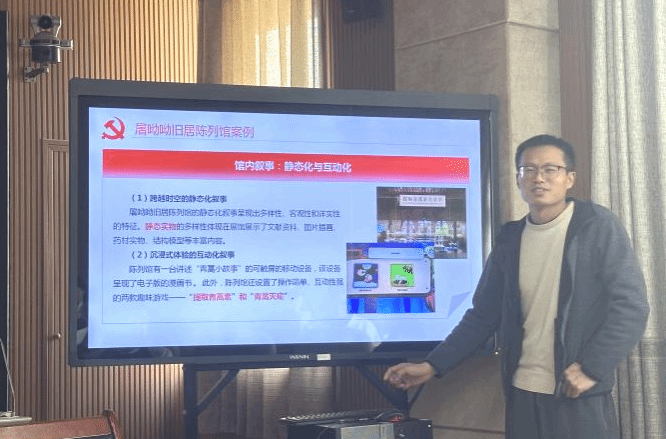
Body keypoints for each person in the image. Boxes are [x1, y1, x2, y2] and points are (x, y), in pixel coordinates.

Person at [383, 134, 649, 439]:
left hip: (576, 394)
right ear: (519, 179)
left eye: (550, 169)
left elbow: (632, 307)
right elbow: (482, 316)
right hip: (522, 392)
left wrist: (591, 368)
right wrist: (432, 365)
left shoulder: (597, 227)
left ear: (570, 178)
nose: (539, 178)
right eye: (529, 170)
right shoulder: (510, 239)